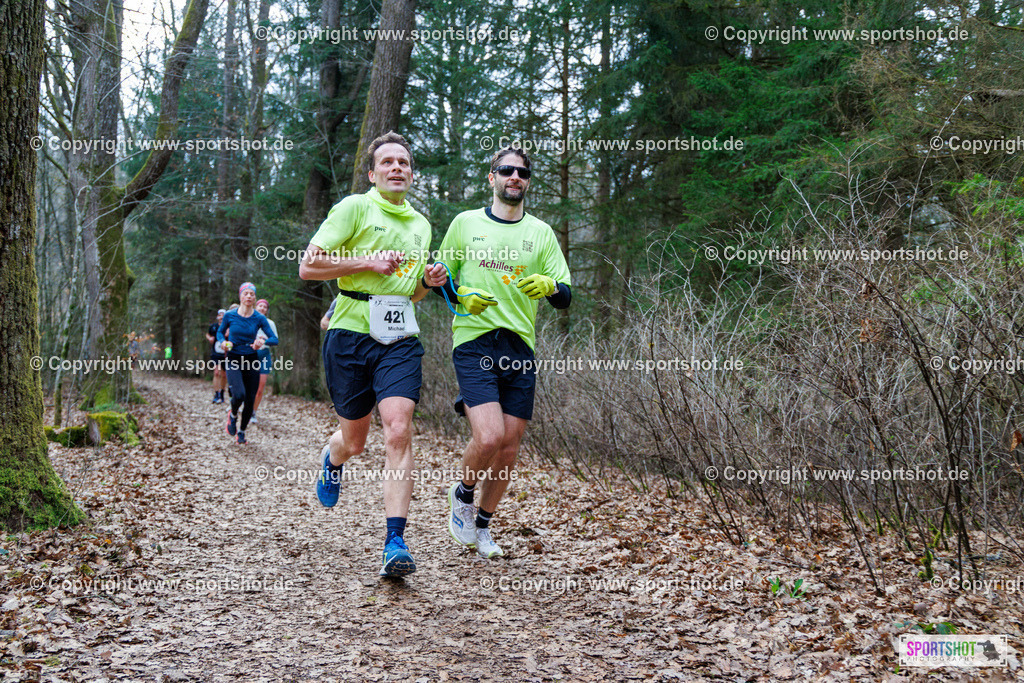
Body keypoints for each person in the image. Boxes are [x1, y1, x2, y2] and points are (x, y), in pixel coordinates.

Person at [298, 131, 447, 578]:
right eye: (388, 163)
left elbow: (413, 293)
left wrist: (430, 282)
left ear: (412, 173)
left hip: (400, 337)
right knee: (356, 441)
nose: (396, 168)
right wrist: (365, 263)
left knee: (399, 430)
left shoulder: (421, 224)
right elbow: (309, 266)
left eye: (403, 162)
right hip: (349, 332)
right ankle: (333, 457)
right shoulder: (353, 208)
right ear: (372, 172)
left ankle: (394, 542)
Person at [434, 145, 571, 559]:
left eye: (522, 173)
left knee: (509, 446)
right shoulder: (464, 223)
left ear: (527, 183)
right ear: (491, 177)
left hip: (519, 346)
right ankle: (463, 492)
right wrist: (459, 297)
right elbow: (441, 278)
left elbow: (564, 296)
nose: (515, 177)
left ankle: (484, 526)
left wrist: (549, 286)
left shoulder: (541, 234)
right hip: (475, 340)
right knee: (489, 436)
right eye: (506, 170)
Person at [217, 283, 278, 444]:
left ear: (255, 297)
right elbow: (219, 332)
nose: (249, 296)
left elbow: (274, 339)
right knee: (239, 395)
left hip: (252, 360)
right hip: (234, 358)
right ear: (240, 296)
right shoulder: (230, 315)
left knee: (250, 399)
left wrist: (261, 341)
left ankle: (242, 431)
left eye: (252, 294)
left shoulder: (259, 318)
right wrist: (223, 342)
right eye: (246, 293)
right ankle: (233, 415)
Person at [251, 299, 279, 423]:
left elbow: (275, 340)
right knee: (248, 385)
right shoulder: (250, 320)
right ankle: (243, 406)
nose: (262, 308)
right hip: (251, 354)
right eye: (260, 306)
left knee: (260, 387)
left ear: (267, 310)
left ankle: (253, 413)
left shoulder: (270, 323)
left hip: (264, 355)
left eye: (265, 307)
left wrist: (265, 341)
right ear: (256, 307)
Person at [206, 309, 228, 403]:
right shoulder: (214, 327)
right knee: (216, 373)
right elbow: (208, 334)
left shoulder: (228, 326)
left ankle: (222, 393)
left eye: (223, 315)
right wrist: (210, 338)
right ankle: (216, 394)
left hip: (226, 353)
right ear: (217, 317)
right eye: (220, 315)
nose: (221, 317)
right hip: (215, 353)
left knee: (224, 375)